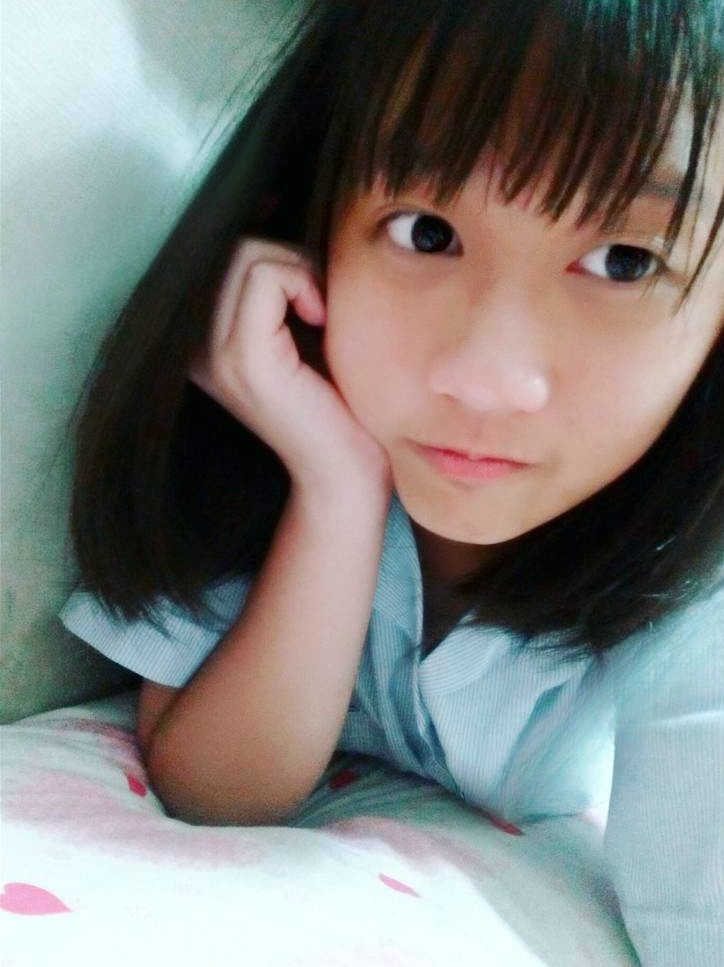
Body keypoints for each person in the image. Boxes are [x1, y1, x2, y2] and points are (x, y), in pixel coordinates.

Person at [60, 1, 723, 963]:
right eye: (425, 232)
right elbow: (216, 783)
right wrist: (337, 487)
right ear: (312, 227)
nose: (487, 379)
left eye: (623, 262)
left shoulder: (695, 575)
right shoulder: (264, 432)